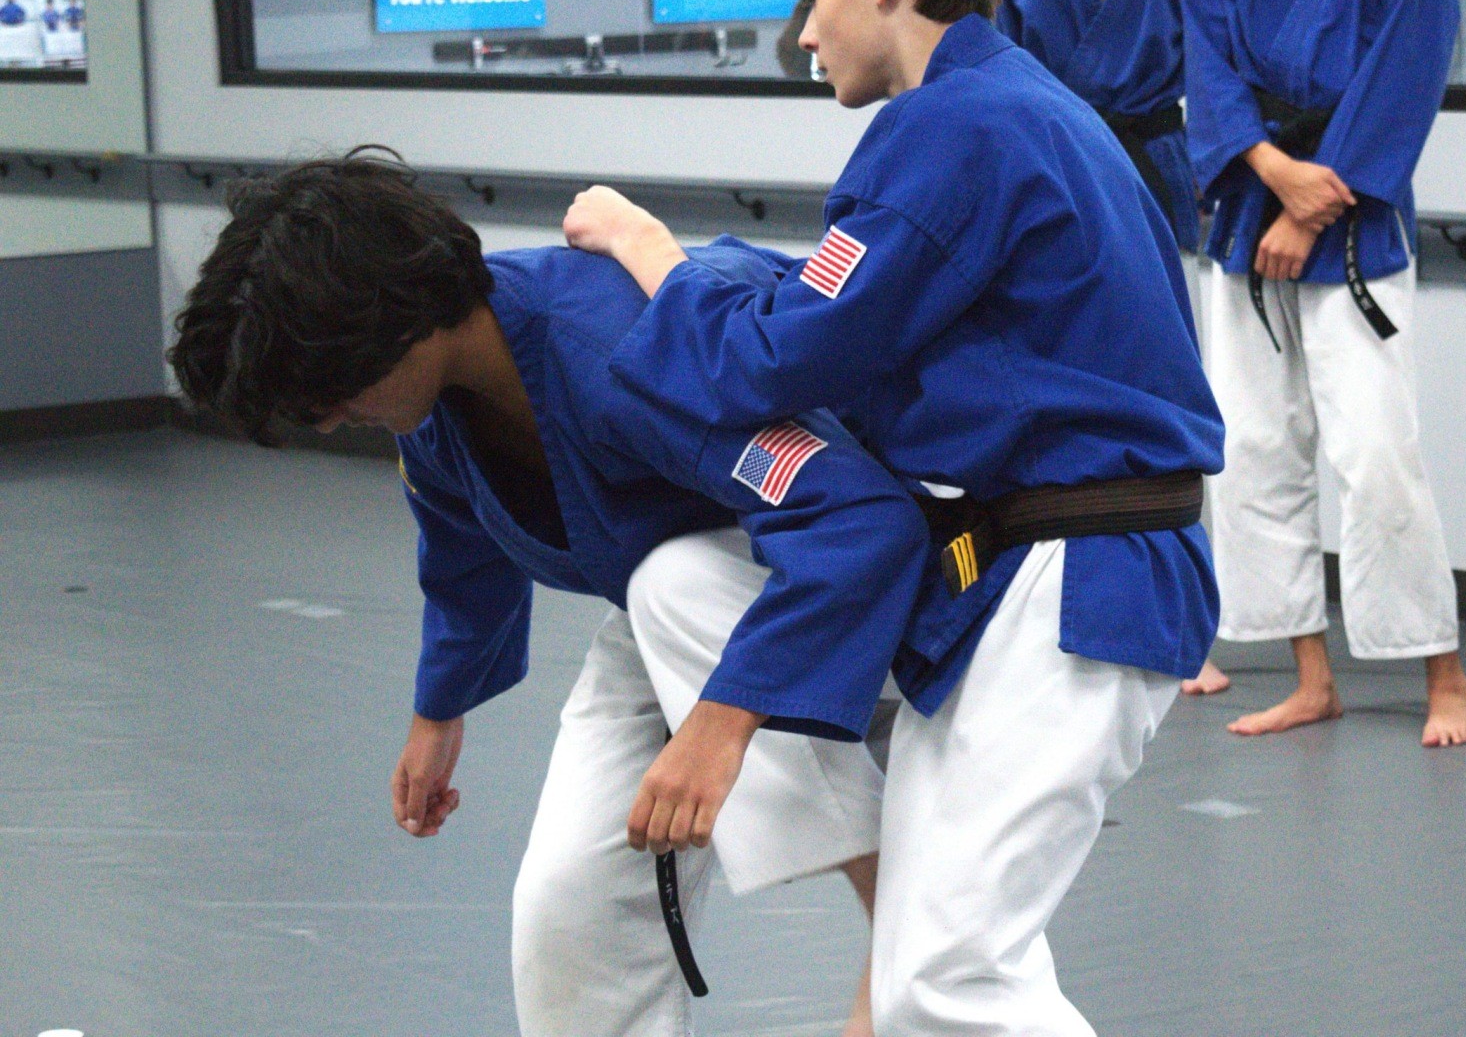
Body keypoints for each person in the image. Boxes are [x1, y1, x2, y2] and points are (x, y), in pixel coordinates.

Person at [564, 0, 1225, 1033]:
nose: (804, 35)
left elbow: (782, 357)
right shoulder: (1016, 109)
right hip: (1027, 569)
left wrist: (648, 253)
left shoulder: (957, 129)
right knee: (916, 957)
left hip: (1081, 579)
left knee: (947, 974)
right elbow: (852, 321)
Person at [165, 150, 936, 1036]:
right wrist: (438, 712)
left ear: (393, 320)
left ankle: (900, 940)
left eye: (328, 391)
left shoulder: (626, 349)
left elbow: (860, 522)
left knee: (673, 580)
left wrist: (720, 725)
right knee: (568, 901)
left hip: (885, 589)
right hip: (700, 608)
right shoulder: (437, 405)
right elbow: (464, 552)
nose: (328, 419)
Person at [1182, 0, 1466, 745]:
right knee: (1254, 447)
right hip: (1251, 207)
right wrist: (1274, 172)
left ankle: (1448, 678)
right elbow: (1205, 58)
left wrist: (1315, 204)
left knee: (1379, 452)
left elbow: (1411, 54)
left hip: (1353, 212)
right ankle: (1311, 678)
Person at [996, 0, 1232, 697]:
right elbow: (998, 63)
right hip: (1050, 171)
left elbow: (1218, 67)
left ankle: (1187, 618)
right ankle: (1048, 603)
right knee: (1059, 389)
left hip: (1157, 175)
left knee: (1165, 392)